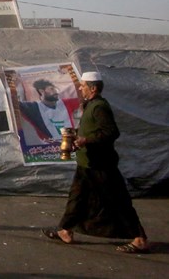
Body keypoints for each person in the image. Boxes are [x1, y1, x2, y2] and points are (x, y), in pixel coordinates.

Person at [42, 71, 149, 253]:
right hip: (87, 162)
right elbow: (91, 130)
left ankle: (139, 238)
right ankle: (65, 230)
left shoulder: (100, 107)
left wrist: (85, 141)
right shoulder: (90, 105)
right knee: (77, 197)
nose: (80, 88)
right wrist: (76, 139)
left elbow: (111, 132)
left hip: (101, 164)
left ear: (93, 88)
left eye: (83, 85)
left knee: (117, 200)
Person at [19, 79, 71, 144]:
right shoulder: (34, 108)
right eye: (52, 89)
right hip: (49, 148)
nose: (56, 92)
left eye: (55, 89)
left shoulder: (65, 103)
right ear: (41, 91)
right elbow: (15, 103)